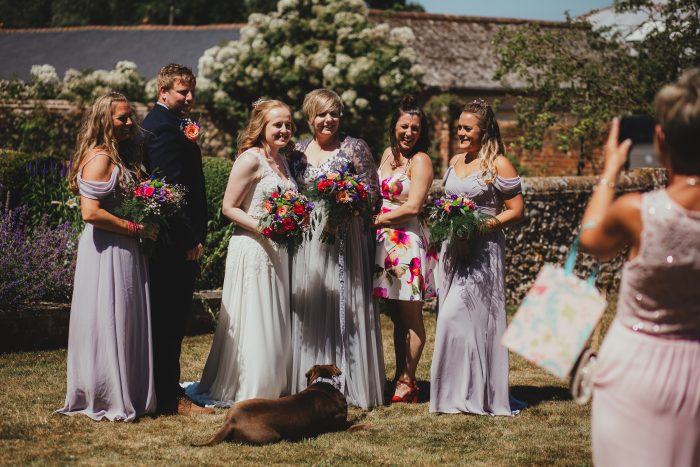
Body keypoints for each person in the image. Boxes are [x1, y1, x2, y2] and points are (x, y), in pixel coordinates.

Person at [580, 69, 700, 467]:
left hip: (636, 369)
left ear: (661, 138)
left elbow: (592, 239)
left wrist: (611, 169)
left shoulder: (638, 211)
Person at [186, 99, 296, 406]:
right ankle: (253, 388)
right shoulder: (251, 159)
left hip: (279, 251)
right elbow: (228, 207)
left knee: (274, 316)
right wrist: (266, 228)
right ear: (262, 127)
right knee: (256, 316)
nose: (284, 129)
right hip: (253, 247)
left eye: (288, 124)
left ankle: (275, 382)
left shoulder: (283, 162)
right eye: (278, 124)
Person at [57, 92, 158, 421]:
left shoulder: (119, 157)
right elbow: (90, 212)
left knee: (123, 316)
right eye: (122, 118)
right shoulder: (100, 157)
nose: (130, 123)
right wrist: (135, 227)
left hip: (123, 246)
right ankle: (105, 392)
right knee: (109, 316)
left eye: (130, 116)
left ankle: (123, 387)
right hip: (108, 247)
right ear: (105, 121)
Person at [289, 89, 385, 409]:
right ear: (310, 118)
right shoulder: (298, 150)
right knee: (313, 303)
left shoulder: (354, 147)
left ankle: (351, 380)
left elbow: (373, 194)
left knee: (346, 304)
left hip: (345, 238)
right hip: (308, 240)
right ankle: (312, 380)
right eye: (321, 114)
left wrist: (346, 205)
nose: (328, 119)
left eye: (334, 113)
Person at [430, 99, 526, 416]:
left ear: (484, 130)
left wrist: (480, 226)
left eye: (467, 128)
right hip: (453, 250)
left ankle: (476, 394)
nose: (461, 132)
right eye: (459, 127)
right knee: (455, 318)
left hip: (484, 250)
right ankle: (454, 393)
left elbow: (516, 211)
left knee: (458, 317)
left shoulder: (499, 164)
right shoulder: (456, 160)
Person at [141, 64, 211, 415]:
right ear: (163, 91)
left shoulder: (170, 125)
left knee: (168, 320)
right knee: (169, 321)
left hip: (175, 241)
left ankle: (163, 391)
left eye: (190, 91)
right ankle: (171, 397)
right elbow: (171, 193)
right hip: (173, 244)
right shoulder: (163, 130)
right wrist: (189, 239)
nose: (189, 98)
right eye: (182, 92)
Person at [372, 96, 436, 403]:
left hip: (407, 243)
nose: (409, 133)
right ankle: (400, 375)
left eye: (415, 128)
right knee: (397, 316)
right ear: (393, 127)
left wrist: (377, 219)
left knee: (412, 316)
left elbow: (413, 206)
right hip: (384, 242)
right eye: (404, 126)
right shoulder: (387, 155)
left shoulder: (421, 160)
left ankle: (409, 381)